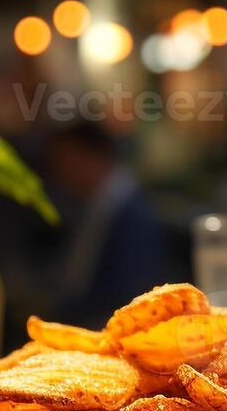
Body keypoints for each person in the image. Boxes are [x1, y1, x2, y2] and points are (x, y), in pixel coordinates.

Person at [39, 122, 168, 327]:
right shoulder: (96, 203)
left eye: (67, 163)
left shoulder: (133, 215)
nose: (62, 175)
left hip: (109, 330)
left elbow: (132, 293)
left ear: (92, 157)